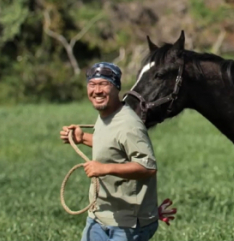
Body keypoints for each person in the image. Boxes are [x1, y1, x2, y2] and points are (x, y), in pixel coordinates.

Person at [60, 62, 166, 241]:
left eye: (104, 84)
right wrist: (83, 138)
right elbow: (113, 145)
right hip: (99, 216)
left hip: (128, 224)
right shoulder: (107, 114)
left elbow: (148, 167)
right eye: (92, 85)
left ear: (117, 87)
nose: (97, 91)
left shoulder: (129, 124)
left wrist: (104, 169)